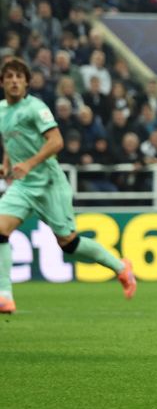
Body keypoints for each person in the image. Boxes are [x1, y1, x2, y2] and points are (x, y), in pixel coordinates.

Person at [0, 58, 136, 313]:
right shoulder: (1, 110)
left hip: (49, 183)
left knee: (69, 244)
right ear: (2, 82)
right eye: (9, 77)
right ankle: (5, 295)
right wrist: (7, 164)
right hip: (23, 185)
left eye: (19, 77)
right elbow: (10, 139)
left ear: (27, 83)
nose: (14, 81)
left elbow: (56, 142)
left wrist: (28, 163)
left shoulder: (35, 108)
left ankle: (121, 267)